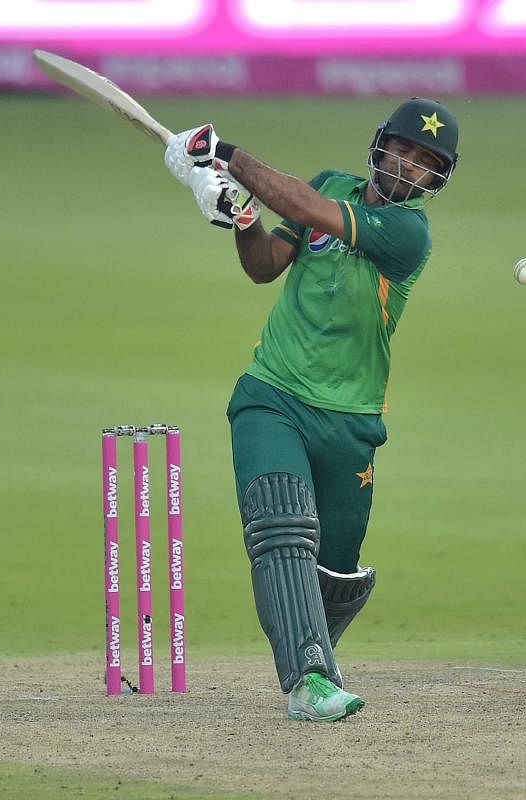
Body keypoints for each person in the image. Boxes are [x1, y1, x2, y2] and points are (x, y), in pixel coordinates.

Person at [163, 98, 460, 721]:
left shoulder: (409, 234)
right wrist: (240, 218)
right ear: (380, 146)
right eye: (403, 150)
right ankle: (309, 680)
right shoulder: (332, 183)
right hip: (272, 395)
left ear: (438, 180)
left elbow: (304, 206)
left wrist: (225, 155)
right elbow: (266, 267)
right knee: (281, 530)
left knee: (338, 573)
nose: (408, 169)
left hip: (351, 423)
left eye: (426, 163)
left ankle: (312, 652)